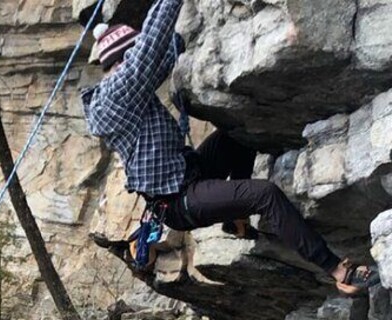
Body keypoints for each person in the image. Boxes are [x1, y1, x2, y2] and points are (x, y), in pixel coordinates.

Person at [80, 0, 379, 295]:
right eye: (132, 57)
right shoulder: (116, 95)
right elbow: (153, 42)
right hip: (179, 200)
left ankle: (235, 219)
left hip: (187, 171)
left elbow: (166, 48)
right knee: (265, 194)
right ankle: (337, 271)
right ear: (123, 60)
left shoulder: (121, 91)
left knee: (237, 134)